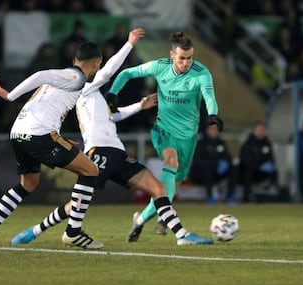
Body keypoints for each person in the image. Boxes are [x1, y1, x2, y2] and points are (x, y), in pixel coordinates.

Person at [11, 28, 214, 246]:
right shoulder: (84, 86)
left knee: (158, 189)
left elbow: (111, 117)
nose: (95, 69)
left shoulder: (94, 96)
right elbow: (109, 72)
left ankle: (182, 236)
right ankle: (36, 230)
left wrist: (139, 105)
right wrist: (129, 43)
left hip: (117, 152)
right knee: (77, 203)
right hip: (99, 150)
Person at [0, 39, 104, 250]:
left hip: (19, 132)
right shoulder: (76, 76)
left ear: (75, 59)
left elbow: (47, 106)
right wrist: (10, 95)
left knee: (28, 184)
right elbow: (41, 74)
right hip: (39, 134)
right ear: (97, 64)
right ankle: (73, 232)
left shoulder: (65, 79)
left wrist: (57, 136)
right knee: (91, 170)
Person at [106, 31, 223, 241]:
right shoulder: (158, 66)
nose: (186, 63)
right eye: (182, 58)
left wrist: (213, 115)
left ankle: (140, 221)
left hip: (188, 137)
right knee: (171, 161)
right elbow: (126, 74)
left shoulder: (201, 73)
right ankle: (179, 232)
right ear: (172, 55)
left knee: (170, 189)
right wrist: (113, 94)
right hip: (163, 130)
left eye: (189, 58)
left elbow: (209, 97)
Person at [189, 124, 237, 205]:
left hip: (216, 173)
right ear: (207, 130)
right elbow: (198, 160)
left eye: (216, 129)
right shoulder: (201, 143)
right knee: (207, 169)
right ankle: (210, 197)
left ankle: (230, 196)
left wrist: (225, 163)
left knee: (234, 169)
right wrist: (215, 164)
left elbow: (228, 157)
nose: (214, 131)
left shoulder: (221, 143)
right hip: (201, 174)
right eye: (212, 129)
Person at [239, 121, 278, 202]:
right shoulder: (248, 144)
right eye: (259, 130)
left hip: (263, 172)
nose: (261, 132)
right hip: (252, 171)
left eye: (263, 130)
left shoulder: (267, 144)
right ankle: (246, 199)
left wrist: (269, 165)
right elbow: (245, 161)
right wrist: (259, 167)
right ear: (254, 131)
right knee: (247, 174)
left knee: (274, 171)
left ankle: (273, 196)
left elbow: (271, 159)